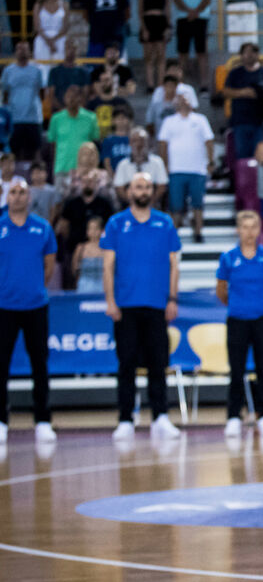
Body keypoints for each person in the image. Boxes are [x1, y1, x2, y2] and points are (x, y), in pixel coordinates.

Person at [102, 172, 182, 442]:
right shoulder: (116, 223)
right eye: (138, 186)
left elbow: (174, 265)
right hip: (125, 306)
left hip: (157, 305)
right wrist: (110, 301)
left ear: (152, 191)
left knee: (159, 364)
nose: (143, 190)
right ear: (129, 191)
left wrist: (172, 299)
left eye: (147, 186)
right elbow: (108, 266)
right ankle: (126, 419)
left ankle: (160, 417)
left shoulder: (165, 223)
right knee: (126, 365)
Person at [0, 178, 57, 445]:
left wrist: (32, 288)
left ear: (29, 197)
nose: (18, 196)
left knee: (40, 365)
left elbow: (49, 267)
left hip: (36, 305)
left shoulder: (43, 228)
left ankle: (43, 421)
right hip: (4, 308)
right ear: (6, 196)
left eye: (23, 192)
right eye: (13, 192)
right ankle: (1, 421)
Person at [216, 210, 263, 439]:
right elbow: (221, 290)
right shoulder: (228, 257)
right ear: (238, 230)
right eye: (245, 227)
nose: (249, 232)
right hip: (237, 319)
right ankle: (234, 416)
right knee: (236, 370)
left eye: (254, 227)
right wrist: (237, 304)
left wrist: (259, 302)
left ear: (259, 230)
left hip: (262, 318)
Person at [158, 94, 214, 243]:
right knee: (175, 205)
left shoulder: (201, 120)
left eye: (186, 99)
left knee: (198, 204)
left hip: (197, 169)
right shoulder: (169, 121)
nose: (183, 102)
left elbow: (209, 141)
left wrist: (210, 161)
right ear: (175, 103)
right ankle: (173, 234)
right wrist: (165, 165)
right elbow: (163, 144)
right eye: (180, 99)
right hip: (176, 169)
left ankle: (198, 233)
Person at [223, 42, 263, 166]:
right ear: (241, 55)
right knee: (242, 156)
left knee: (260, 155)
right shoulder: (235, 73)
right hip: (240, 122)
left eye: (252, 52)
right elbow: (225, 91)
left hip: (260, 122)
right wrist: (243, 92)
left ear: (257, 54)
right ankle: (243, 183)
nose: (249, 55)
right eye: (246, 52)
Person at [56, 170, 113, 288]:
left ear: (96, 183)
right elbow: (64, 226)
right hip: (75, 249)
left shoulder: (105, 203)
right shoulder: (71, 203)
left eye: (91, 181)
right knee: (73, 284)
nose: (88, 184)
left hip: (100, 250)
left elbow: (111, 228)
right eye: (85, 181)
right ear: (80, 183)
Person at [171, 0, 215, 92]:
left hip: (201, 18)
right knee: (182, 52)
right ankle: (180, 83)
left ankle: (204, 83)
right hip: (183, 18)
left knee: (201, 52)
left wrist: (196, 11)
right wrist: (188, 11)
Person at [47, 85, 100, 184]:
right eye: (69, 96)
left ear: (81, 98)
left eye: (75, 96)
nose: (71, 99)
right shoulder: (56, 118)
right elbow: (52, 145)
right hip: (62, 168)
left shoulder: (91, 118)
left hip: (85, 171)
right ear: (64, 98)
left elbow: (95, 144)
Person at [2, 41, 44, 161]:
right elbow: (5, 94)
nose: (22, 51)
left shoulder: (37, 70)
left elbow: (42, 93)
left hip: (33, 119)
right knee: (14, 153)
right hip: (15, 118)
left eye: (25, 49)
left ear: (30, 52)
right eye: (19, 49)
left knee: (35, 152)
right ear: (15, 52)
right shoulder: (8, 71)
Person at [114, 127, 168, 204]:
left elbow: (162, 186)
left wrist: (149, 203)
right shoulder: (123, 164)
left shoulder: (157, 162)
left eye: (142, 141)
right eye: (135, 141)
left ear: (148, 143)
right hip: (129, 204)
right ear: (130, 143)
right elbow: (119, 188)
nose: (139, 144)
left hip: (152, 203)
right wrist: (134, 205)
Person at [33, 0, 69, 75]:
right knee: (42, 68)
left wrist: (54, 40)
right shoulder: (39, 5)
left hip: (59, 39)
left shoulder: (64, 5)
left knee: (58, 67)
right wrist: (48, 41)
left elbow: (65, 27)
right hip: (42, 39)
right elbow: (37, 27)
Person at [46, 41, 91, 112]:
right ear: (64, 50)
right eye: (68, 48)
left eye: (73, 48)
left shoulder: (83, 72)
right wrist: (64, 111)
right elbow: (51, 95)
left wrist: (75, 110)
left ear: (77, 50)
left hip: (78, 113)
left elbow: (85, 94)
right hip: (59, 112)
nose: (70, 50)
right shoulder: (54, 71)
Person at [86, 70, 132, 137]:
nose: (105, 83)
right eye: (102, 80)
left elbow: (130, 122)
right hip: (97, 141)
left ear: (113, 82)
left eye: (107, 80)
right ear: (99, 83)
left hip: (116, 140)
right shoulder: (91, 104)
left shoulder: (122, 103)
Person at [73, 215, 106, 293]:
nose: (93, 231)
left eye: (96, 228)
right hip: (84, 288)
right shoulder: (80, 248)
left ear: (102, 231)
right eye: (90, 228)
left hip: (102, 288)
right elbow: (74, 269)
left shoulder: (107, 249)